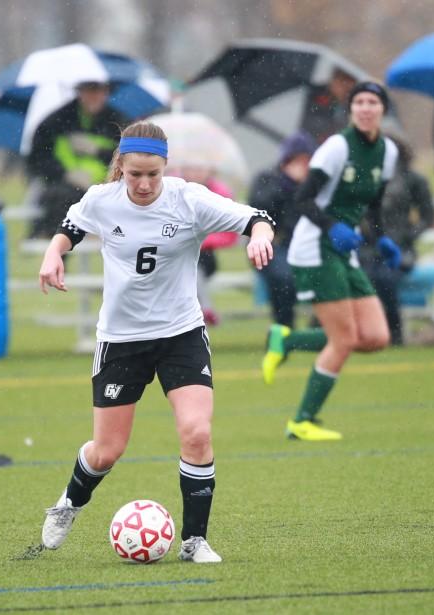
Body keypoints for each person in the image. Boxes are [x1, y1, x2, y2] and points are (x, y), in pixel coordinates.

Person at [36, 120, 275, 563]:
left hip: (180, 333)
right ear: (120, 167)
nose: (144, 184)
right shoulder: (101, 200)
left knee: (197, 432)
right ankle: (69, 503)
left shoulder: (189, 199)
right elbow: (68, 229)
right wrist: (53, 254)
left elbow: (257, 219)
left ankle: (194, 540)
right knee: (107, 451)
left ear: (166, 167)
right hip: (121, 340)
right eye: (134, 174)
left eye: (153, 174)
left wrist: (259, 238)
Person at [261, 82, 401, 441]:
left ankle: (287, 341)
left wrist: (381, 237)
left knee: (375, 336)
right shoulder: (337, 148)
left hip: (344, 250)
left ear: (382, 110)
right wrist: (333, 226)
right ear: (351, 110)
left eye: (372, 102)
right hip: (314, 247)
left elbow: (373, 203)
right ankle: (301, 421)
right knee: (343, 340)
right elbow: (304, 200)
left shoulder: (387, 152)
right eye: (359, 102)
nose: (365, 108)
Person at [357, 138, 434, 346]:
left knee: (384, 278)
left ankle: (393, 331)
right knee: (360, 276)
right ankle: (359, 331)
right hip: (366, 247)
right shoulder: (362, 177)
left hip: (399, 248)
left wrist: (408, 235)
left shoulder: (413, 180)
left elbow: (427, 217)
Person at [26, 81, 128, 238]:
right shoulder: (55, 122)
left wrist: (99, 152)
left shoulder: (118, 121)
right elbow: (38, 159)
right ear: (80, 91)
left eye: (99, 90)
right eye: (89, 90)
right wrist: (65, 175)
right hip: (65, 189)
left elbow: (129, 157)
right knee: (61, 199)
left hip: (107, 186)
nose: (94, 96)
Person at [248, 131, 318, 328]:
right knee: (283, 278)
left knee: (329, 277)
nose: (302, 165)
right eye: (297, 159)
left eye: (306, 159)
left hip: (306, 245)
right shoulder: (267, 179)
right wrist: (286, 185)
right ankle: (284, 328)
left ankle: (319, 328)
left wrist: (301, 187)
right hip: (274, 244)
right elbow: (260, 209)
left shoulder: (315, 183)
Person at [167, 164, 239, 327]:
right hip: (175, 254)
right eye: (191, 168)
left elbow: (229, 233)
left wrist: (199, 237)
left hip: (204, 255)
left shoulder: (218, 194)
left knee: (190, 270)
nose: (195, 172)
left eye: (200, 168)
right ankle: (202, 312)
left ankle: (203, 311)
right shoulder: (172, 190)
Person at [302, 70, 358, 144]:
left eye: (349, 90)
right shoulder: (317, 95)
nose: (346, 93)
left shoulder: (348, 106)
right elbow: (313, 123)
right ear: (335, 82)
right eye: (345, 88)